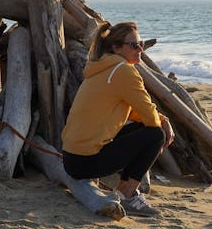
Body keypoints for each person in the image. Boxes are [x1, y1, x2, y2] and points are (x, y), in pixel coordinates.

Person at [61, 21, 174, 217]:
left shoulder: (102, 67)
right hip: (86, 162)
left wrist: (162, 119)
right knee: (156, 135)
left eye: (141, 44)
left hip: (71, 159)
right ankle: (128, 195)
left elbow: (134, 112)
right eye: (133, 45)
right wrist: (164, 124)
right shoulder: (123, 71)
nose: (140, 49)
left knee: (147, 130)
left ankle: (124, 190)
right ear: (116, 47)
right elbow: (150, 118)